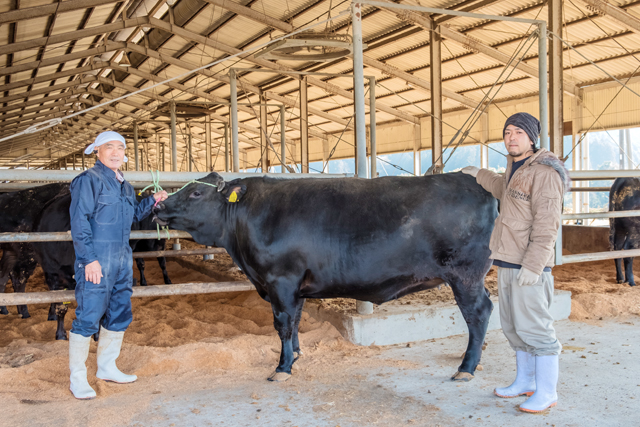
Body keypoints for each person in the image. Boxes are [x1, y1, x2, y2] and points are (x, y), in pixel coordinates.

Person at [461, 112, 569, 413]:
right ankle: (525, 381)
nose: (511, 137)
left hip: (528, 266)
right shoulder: (515, 168)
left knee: (536, 330)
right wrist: (478, 174)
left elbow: (548, 225)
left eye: (518, 132)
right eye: (507, 132)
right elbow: (502, 191)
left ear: (531, 138)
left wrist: (534, 267)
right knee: (513, 327)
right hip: (507, 261)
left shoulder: (545, 173)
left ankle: (547, 391)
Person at [68, 131, 168, 400]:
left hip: (122, 259)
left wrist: (152, 200)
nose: (115, 152)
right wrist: (89, 259)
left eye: (120, 148)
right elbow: (79, 222)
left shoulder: (124, 185)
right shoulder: (88, 181)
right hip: (97, 259)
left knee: (120, 311)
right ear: (96, 151)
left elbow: (133, 214)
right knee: (89, 314)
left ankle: (107, 367)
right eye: (109, 147)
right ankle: (77, 378)